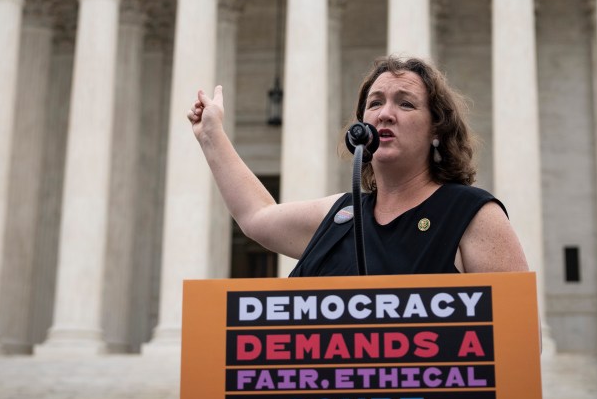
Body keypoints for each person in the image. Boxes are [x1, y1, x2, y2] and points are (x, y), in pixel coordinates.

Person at [187, 55, 528, 276]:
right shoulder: (339, 217)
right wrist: (211, 135)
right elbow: (256, 217)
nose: (384, 113)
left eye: (405, 104)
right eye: (375, 102)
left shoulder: (472, 216)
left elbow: (518, 339)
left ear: (437, 129)